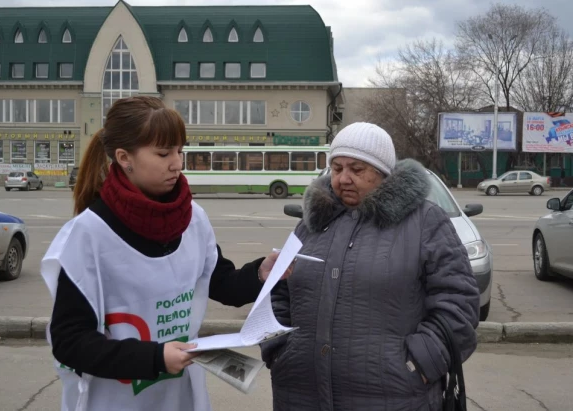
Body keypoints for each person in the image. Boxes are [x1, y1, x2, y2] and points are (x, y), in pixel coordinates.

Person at [40, 96, 287, 411]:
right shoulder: (87, 234)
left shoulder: (193, 217)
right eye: (163, 153)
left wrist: (259, 274)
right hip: (113, 401)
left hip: (181, 398)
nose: (177, 163)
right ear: (124, 157)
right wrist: (155, 358)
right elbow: (70, 341)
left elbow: (220, 282)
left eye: (180, 151)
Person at [261, 122, 480, 410]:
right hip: (300, 395)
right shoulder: (312, 224)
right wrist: (278, 349)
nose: (344, 179)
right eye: (337, 168)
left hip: (394, 397)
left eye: (357, 169)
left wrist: (419, 365)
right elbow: (280, 290)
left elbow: (459, 304)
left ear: (383, 173)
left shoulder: (425, 222)